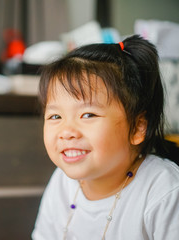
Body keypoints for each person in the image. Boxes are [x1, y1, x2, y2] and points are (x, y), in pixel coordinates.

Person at [31, 35, 179, 240]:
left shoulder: (164, 190)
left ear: (137, 127)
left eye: (88, 115)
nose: (67, 131)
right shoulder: (62, 181)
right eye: (55, 116)